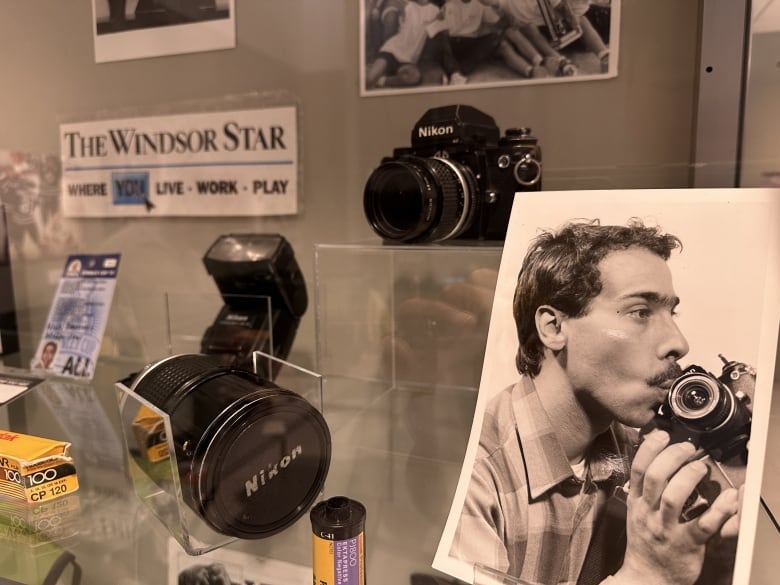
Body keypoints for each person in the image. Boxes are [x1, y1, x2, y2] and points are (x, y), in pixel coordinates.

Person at [450, 219, 742, 585]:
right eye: (640, 312)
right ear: (554, 328)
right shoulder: (472, 474)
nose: (679, 343)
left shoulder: (645, 454)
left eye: (672, 313)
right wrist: (646, 573)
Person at [366, 0, 443, 89]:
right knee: (369, 79)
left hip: (408, 58)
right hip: (392, 49)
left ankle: (382, 81)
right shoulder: (405, 4)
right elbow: (387, 7)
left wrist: (441, 19)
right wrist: (377, 8)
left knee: (414, 78)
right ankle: (377, 73)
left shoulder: (435, 10)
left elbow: (437, 31)